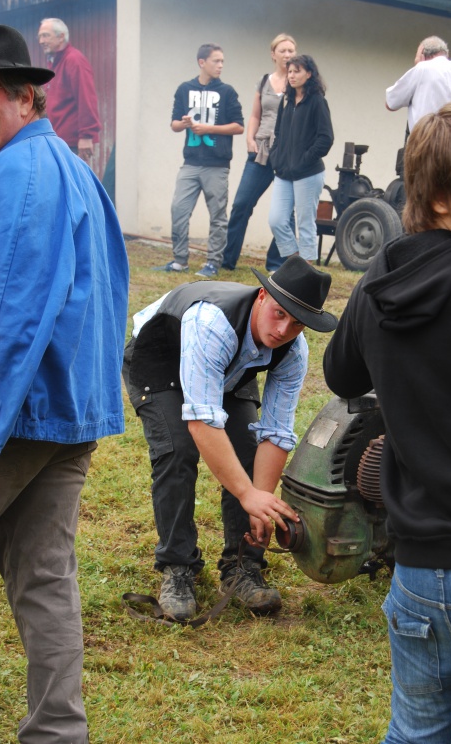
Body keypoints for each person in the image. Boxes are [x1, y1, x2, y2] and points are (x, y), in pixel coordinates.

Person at [323, 102, 451, 744]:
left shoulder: (378, 284)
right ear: (441, 199)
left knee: (414, 734)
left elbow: (342, 377)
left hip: (416, 575)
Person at [0, 25, 128, 744]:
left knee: (44, 575)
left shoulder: (19, 177)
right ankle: (57, 733)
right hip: (71, 413)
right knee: (44, 577)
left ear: (21, 97)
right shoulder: (73, 168)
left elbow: (11, 320)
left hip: (23, 410)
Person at [123, 256, 337, 620]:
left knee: (248, 455)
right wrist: (246, 493)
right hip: (162, 360)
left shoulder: (293, 351)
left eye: (297, 323)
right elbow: (202, 424)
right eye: (279, 313)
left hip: (226, 370)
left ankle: (242, 568)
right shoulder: (211, 323)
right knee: (176, 452)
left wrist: (261, 501)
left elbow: (276, 433)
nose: (284, 330)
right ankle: (178, 568)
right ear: (261, 298)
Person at [155, 43, 244, 278]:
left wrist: (208, 128)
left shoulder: (227, 92)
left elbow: (239, 126)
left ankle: (213, 263)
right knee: (179, 209)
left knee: (217, 216)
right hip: (191, 163)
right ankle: (179, 261)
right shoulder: (184, 89)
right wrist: (185, 123)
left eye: (223, 61)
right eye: (216, 61)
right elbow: (174, 125)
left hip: (217, 165)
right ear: (201, 62)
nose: (221, 65)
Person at [222, 33, 296, 272]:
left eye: (291, 51)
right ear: (273, 55)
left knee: (286, 212)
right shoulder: (264, 82)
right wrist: (249, 139)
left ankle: (276, 263)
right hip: (261, 150)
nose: (287, 55)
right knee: (242, 204)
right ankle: (227, 260)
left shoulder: (299, 83)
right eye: (283, 51)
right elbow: (255, 115)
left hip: (288, 154)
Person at [269, 55, 334, 263]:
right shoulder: (286, 101)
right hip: (284, 173)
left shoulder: (317, 102)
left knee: (306, 224)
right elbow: (278, 133)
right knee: (277, 220)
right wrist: (276, 157)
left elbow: (326, 138)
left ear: (309, 74)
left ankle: (306, 272)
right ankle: (296, 263)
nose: (292, 75)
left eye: (297, 71)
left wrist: (304, 160)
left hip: (308, 173)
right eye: (289, 71)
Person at [385, 35, 451, 132]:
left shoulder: (422, 69)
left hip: (428, 142)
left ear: (422, 53)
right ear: (447, 54)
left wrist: (418, 65)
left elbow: (391, 103)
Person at [38, 17, 101, 162]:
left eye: (46, 35)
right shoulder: (54, 63)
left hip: (71, 143)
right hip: (57, 140)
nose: (41, 41)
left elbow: (87, 99)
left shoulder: (74, 60)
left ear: (61, 37)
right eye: (40, 36)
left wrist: (86, 136)